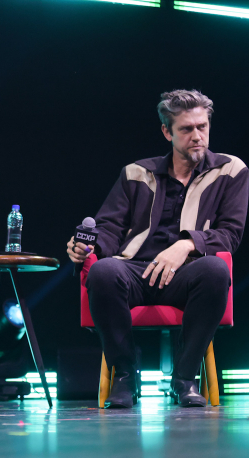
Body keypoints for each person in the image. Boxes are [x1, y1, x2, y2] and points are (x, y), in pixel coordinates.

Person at [67, 89, 246, 408]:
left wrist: (187, 244)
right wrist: (86, 246)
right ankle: (124, 377)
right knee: (103, 270)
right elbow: (108, 228)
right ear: (167, 132)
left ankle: (185, 379)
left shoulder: (231, 171)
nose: (197, 136)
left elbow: (230, 234)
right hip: (135, 271)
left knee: (216, 269)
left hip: (188, 274)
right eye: (186, 129)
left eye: (202, 127)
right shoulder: (136, 173)